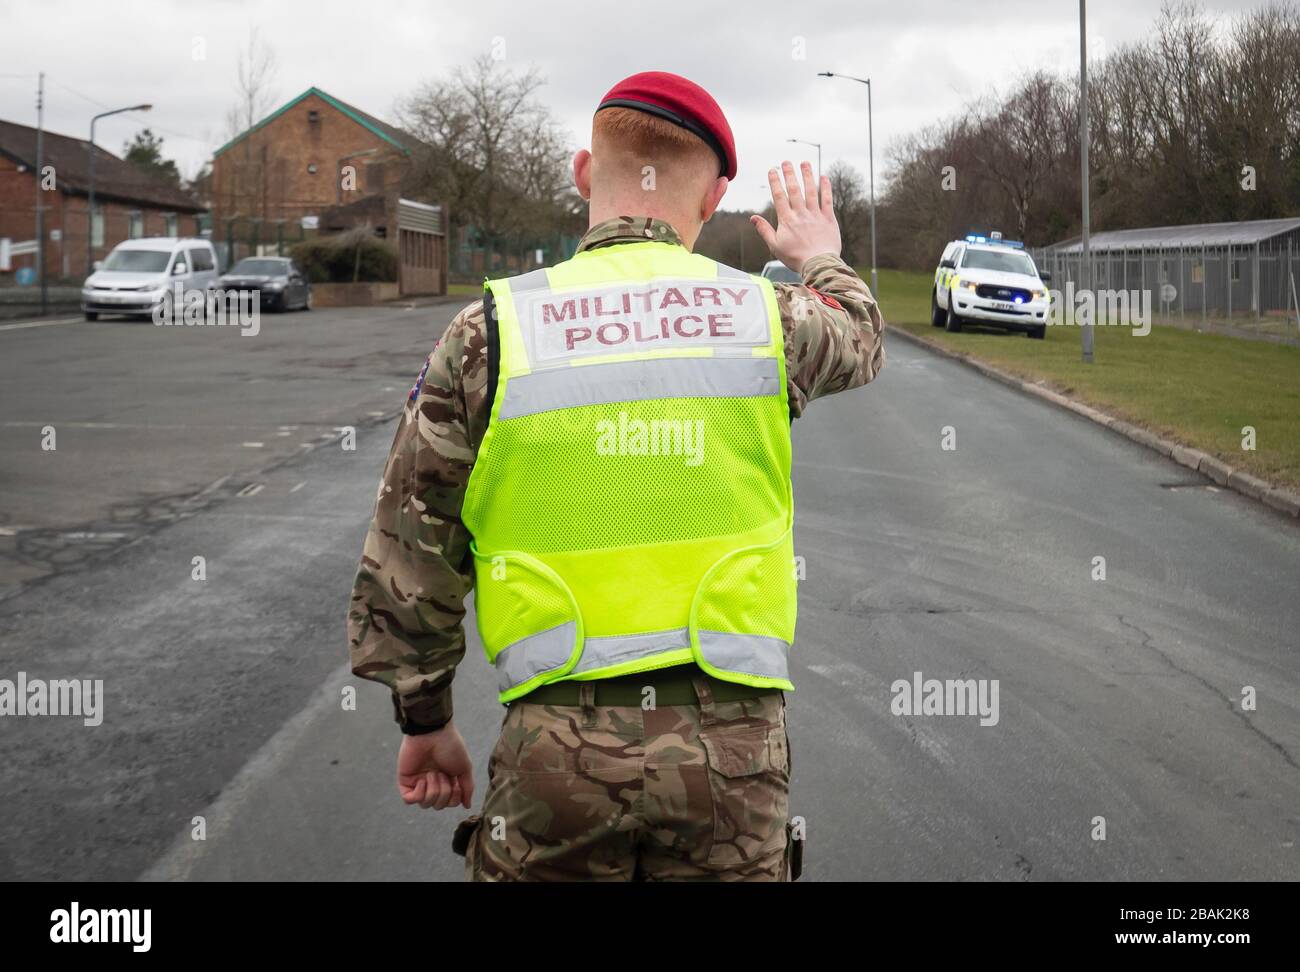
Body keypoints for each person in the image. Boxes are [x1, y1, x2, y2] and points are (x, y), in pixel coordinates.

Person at [347, 70, 885, 881]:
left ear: (582, 173)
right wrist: (822, 258)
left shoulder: (490, 330)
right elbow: (863, 337)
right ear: (715, 198)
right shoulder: (764, 319)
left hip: (552, 758)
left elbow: (412, 548)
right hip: (732, 762)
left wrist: (424, 719)